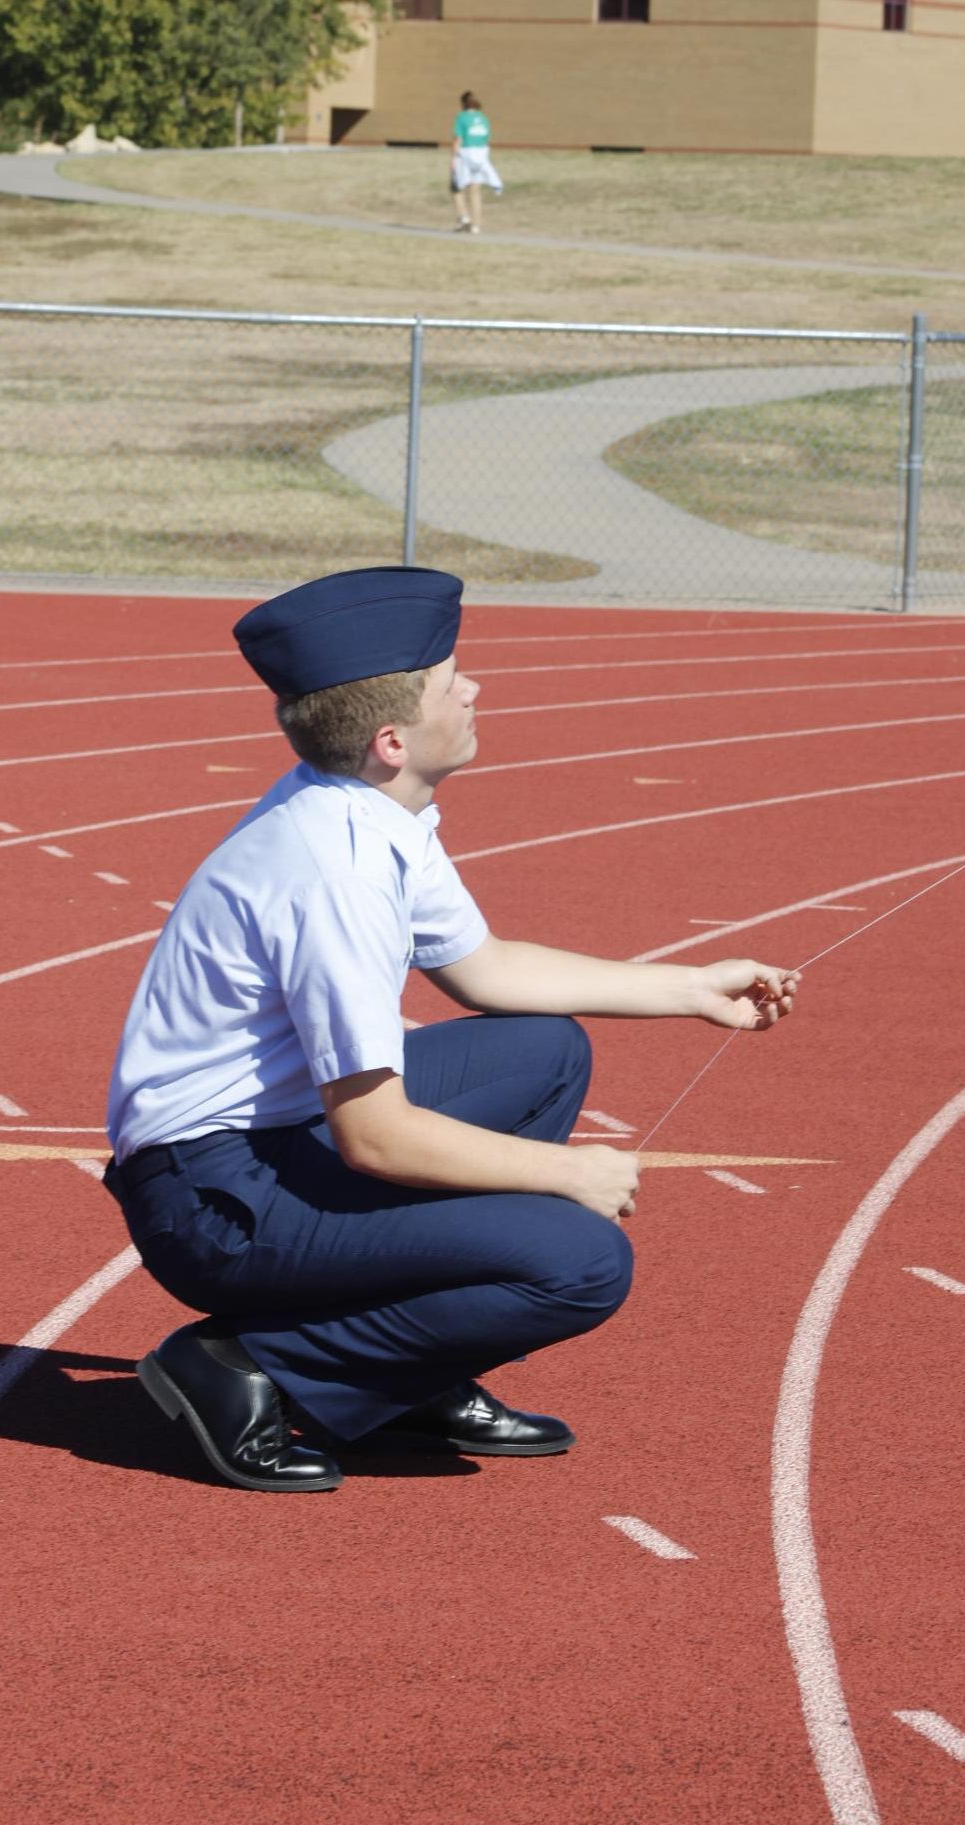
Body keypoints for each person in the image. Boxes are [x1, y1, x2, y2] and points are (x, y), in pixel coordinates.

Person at [103, 566, 798, 1496]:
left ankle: (401, 1372)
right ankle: (241, 1365)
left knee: (546, 1050)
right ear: (392, 739)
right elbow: (375, 1134)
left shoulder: (371, 804)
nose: (473, 689)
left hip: (272, 1143)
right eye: (448, 681)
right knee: (583, 1263)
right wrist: (567, 1172)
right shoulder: (336, 870)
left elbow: (486, 969)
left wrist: (691, 987)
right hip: (212, 1199)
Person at [451, 89, 503, 235]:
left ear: (463, 104)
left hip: (465, 154)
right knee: (475, 190)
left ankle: (463, 217)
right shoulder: (483, 118)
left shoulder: (462, 118)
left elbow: (458, 139)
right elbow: (486, 139)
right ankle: (476, 225)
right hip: (481, 156)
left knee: (456, 186)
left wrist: (453, 159)